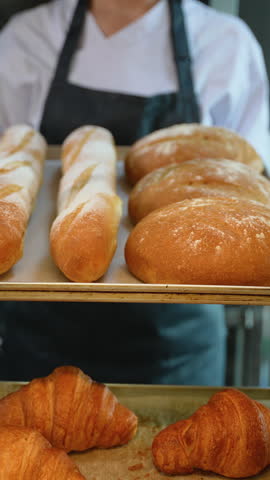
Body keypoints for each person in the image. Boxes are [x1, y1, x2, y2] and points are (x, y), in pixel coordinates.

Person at [0, 0, 268, 384]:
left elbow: (249, 184)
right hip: (37, 344)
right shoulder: (28, 38)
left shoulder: (226, 44)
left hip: (178, 351)